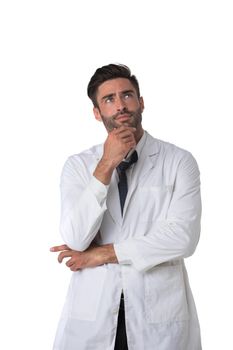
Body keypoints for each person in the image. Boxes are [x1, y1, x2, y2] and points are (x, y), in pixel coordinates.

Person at [50, 63, 202, 350]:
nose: (120, 105)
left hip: (158, 318)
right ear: (97, 112)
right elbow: (75, 238)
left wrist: (102, 254)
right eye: (109, 99)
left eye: (127, 95)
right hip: (93, 316)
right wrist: (106, 165)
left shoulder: (179, 161)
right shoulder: (78, 166)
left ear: (141, 102)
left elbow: (183, 238)